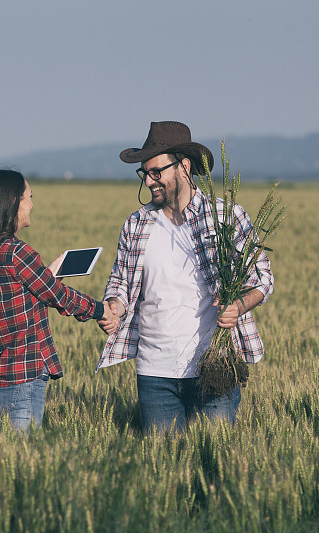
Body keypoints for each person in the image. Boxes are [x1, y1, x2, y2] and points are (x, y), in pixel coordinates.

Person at [96, 121, 274, 433]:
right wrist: (113, 306)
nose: (150, 181)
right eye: (144, 173)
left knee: (213, 466)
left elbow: (262, 277)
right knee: (164, 470)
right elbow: (121, 283)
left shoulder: (226, 216)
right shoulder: (136, 224)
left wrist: (239, 306)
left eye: (156, 172)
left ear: (184, 166)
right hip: (154, 374)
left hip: (214, 368)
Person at [0, 169, 114, 432]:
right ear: (13, 204)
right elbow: (59, 296)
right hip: (22, 379)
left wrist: (47, 277)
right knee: (21, 465)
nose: (32, 203)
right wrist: (100, 310)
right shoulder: (17, 252)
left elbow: (18, 299)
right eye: (29, 196)